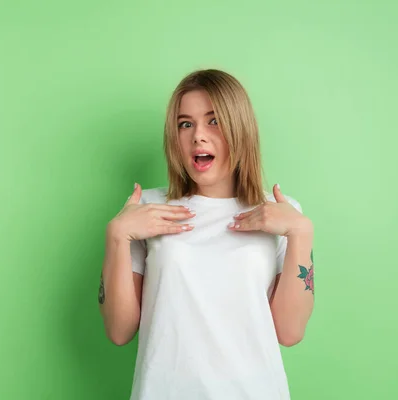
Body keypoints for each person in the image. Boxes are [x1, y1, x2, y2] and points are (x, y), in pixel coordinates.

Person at [98, 69, 315, 400]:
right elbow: (118, 330)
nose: (198, 135)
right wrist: (116, 236)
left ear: (239, 128)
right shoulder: (149, 209)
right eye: (186, 124)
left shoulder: (281, 213)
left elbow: (290, 331)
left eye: (213, 121)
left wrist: (301, 231)